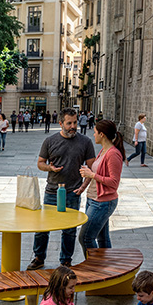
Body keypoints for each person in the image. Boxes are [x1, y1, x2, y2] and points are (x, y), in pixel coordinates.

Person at [27, 109, 95, 270]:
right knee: (43, 227)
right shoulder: (50, 141)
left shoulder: (85, 142)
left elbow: (92, 168)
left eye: (75, 122)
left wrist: (83, 187)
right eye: (69, 123)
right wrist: (49, 168)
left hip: (73, 192)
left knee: (69, 230)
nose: (73, 126)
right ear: (60, 124)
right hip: (52, 191)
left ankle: (65, 260)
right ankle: (39, 257)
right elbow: (40, 163)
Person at [77, 120, 126, 257]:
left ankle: (94, 266)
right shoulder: (103, 151)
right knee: (102, 238)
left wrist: (92, 174)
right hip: (93, 199)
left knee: (85, 237)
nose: (94, 135)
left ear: (102, 134)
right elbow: (95, 172)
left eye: (95, 132)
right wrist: (82, 187)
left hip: (102, 202)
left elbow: (114, 182)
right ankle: (105, 266)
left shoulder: (113, 154)